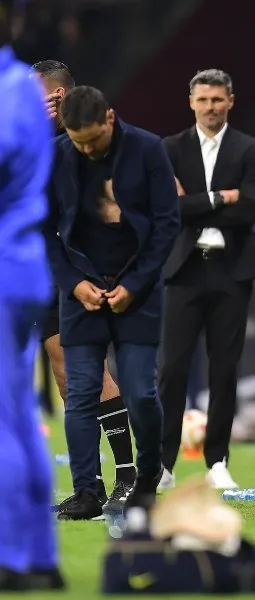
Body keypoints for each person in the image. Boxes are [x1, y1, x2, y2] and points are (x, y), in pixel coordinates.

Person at [43, 86, 180, 519]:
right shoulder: (60, 154)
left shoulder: (148, 149)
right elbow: (45, 229)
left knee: (140, 392)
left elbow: (166, 224)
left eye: (92, 140)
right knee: (80, 393)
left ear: (110, 119)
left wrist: (136, 284)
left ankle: (144, 483)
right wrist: (72, 282)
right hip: (80, 292)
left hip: (135, 293)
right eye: (76, 140)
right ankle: (87, 492)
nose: (85, 149)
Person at [31, 59, 137, 514]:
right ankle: (89, 486)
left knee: (89, 372)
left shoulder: (85, 135)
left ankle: (129, 475)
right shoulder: (35, 138)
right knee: (62, 371)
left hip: (84, 265)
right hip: (42, 267)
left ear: (61, 95)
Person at [158, 69, 255, 490]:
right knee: (171, 369)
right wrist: (222, 197)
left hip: (231, 270)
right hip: (184, 269)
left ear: (231, 101)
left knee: (224, 369)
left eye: (218, 100)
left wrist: (194, 203)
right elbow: (169, 209)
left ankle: (217, 460)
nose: (210, 107)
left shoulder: (250, 149)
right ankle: (164, 464)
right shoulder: (170, 149)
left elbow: (250, 211)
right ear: (191, 102)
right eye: (203, 100)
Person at [0, 5, 64, 588]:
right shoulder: (21, 86)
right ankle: (40, 556)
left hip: (3, 266)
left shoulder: (5, 92)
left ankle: (12, 558)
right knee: (18, 413)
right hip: (21, 266)